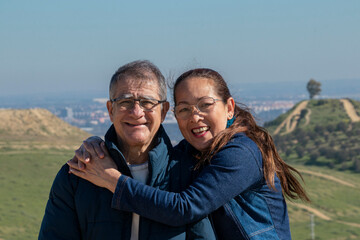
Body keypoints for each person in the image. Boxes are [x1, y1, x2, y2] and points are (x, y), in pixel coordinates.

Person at [68, 68, 310, 240]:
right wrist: (96, 146)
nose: (195, 117)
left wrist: (111, 179)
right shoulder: (190, 153)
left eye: (205, 105)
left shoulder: (242, 151)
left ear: (229, 108)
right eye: (184, 109)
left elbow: (184, 208)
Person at [38, 61, 216, 240]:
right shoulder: (77, 176)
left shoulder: (190, 175)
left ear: (164, 111)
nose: (136, 112)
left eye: (147, 102)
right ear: (110, 110)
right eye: (125, 102)